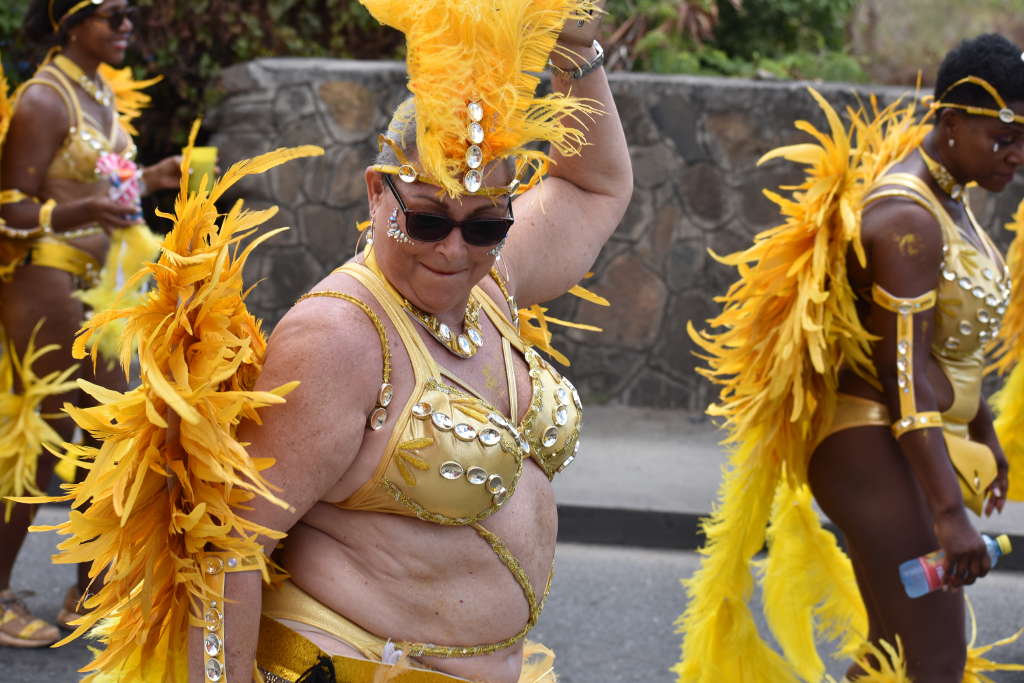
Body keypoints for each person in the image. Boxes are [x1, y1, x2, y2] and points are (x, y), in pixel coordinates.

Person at [36, 0, 631, 681]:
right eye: (429, 220)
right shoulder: (340, 338)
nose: (454, 251)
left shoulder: (491, 279)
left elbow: (593, 187)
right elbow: (224, 548)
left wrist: (574, 52)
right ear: (379, 193)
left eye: (486, 226)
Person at [677, 33, 1023, 682]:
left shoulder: (954, 197)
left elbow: (953, 348)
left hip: (900, 440)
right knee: (938, 657)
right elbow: (906, 377)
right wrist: (949, 514)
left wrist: (981, 434)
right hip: (867, 443)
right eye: (1003, 138)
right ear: (950, 125)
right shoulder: (906, 221)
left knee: (895, 648)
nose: (1018, 155)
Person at [0, 0, 180, 649]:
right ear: (72, 23)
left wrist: (152, 177)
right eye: (113, 14)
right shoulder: (43, 101)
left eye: (131, 15)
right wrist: (79, 210)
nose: (127, 25)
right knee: (40, 441)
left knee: (110, 437)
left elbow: (113, 195)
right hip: (46, 281)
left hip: (102, 288)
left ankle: (89, 587)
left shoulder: (102, 94)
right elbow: (9, 206)